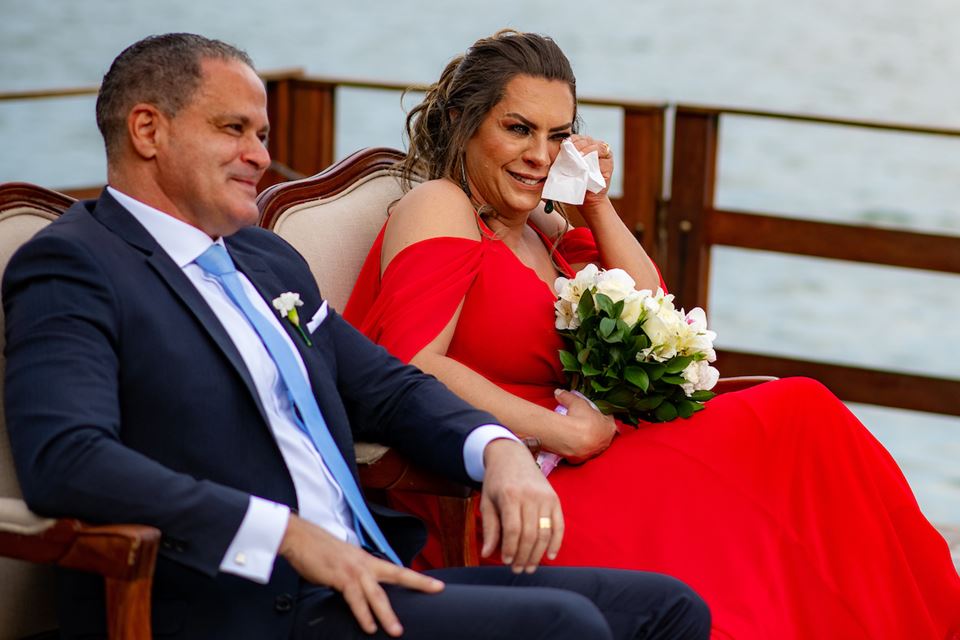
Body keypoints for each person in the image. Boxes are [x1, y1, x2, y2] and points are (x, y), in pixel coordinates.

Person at [1, 33, 712, 640]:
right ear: (148, 131)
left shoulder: (263, 259)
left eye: (263, 135)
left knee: (668, 609)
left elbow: (389, 385)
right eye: (232, 129)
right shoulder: (76, 265)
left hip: (369, 568)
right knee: (567, 628)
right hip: (245, 599)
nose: (257, 153)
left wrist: (498, 450)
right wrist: (282, 533)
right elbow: (67, 459)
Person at [343, 29, 960, 640]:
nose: (539, 154)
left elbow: (654, 312)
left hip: (595, 451)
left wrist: (595, 204)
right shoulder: (441, 205)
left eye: (558, 136)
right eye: (518, 128)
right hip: (509, 478)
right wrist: (563, 431)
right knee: (787, 440)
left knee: (803, 421)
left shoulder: (541, 227)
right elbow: (412, 364)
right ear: (463, 121)